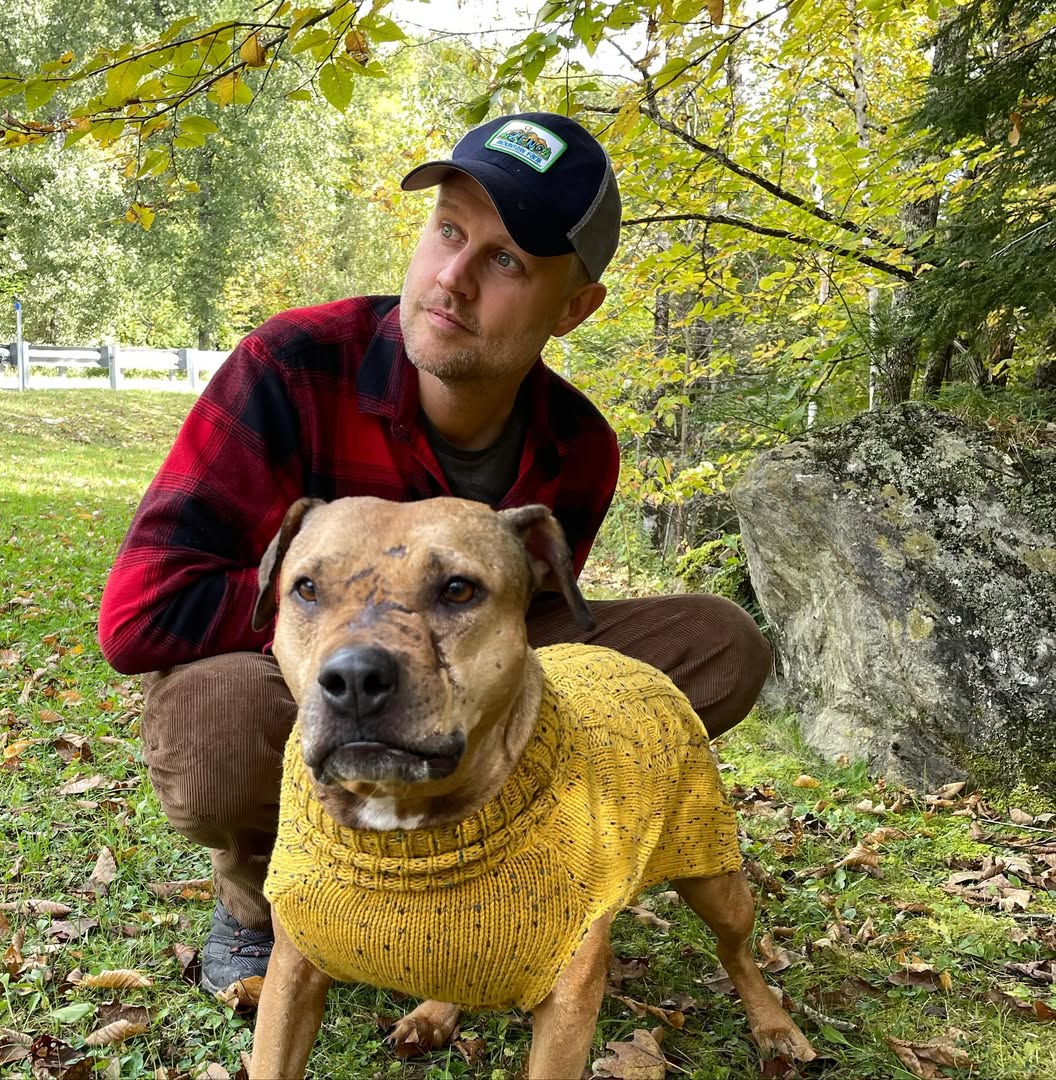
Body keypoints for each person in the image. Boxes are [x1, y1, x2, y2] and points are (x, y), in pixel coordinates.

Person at [98, 112, 770, 995]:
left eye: (505, 261)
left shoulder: (578, 445)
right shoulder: (291, 365)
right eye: (448, 230)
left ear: (573, 307)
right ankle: (260, 897)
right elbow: (139, 614)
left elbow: (536, 633)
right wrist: (336, 617)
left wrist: (449, 626)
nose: (451, 278)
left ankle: (511, 855)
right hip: (295, 671)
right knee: (214, 730)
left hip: (470, 679)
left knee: (723, 642)